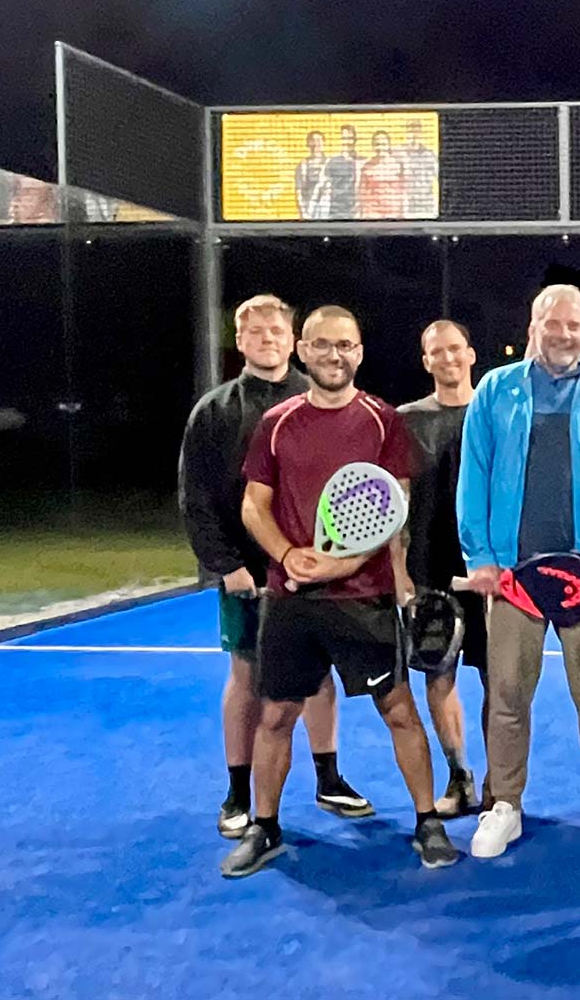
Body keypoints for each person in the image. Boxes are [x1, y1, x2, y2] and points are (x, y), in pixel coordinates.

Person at [220, 305, 459, 877]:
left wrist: (332, 566)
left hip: (364, 600)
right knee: (276, 715)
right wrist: (286, 555)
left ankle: (427, 822)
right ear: (303, 350)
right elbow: (255, 505)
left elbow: (391, 512)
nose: (334, 356)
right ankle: (265, 827)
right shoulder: (276, 421)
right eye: (323, 345)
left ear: (359, 352)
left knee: (399, 711)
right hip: (289, 603)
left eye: (346, 346)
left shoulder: (383, 421)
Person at [457, 284, 580, 855]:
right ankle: (504, 806)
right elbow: (475, 478)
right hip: (514, 578)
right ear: (533, 324)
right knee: (508, 697)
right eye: (555, 323)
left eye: (575, 325)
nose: (565, 334)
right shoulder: (495, 390)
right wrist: (482, 559)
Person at [178, 293, 372, 841]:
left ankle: (329, 777)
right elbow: (195, 499)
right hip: (249, 576)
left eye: (277, 332)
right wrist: (228, 567)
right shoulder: (214, 412)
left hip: (316, 573)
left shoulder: (319, 402)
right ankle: (239, 793)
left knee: (320, 676)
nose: (268, 339)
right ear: (239, 341)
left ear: (295, 342)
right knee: (246, 677)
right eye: (256, 332)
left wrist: (335, 561)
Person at [398, 319, 486, 818]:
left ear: (470, 354)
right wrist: (399, 574)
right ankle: (460, 778)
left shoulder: (494, 413)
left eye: (455, 349)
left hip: (494, 574)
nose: (448, 358)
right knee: (439, 679)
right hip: (430, 573)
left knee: (502, 685)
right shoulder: (406, 421)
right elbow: (397, 504)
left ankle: (502, 787)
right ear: (426, 360)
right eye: (437, 352)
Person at [358, 130, 407, 219]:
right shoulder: (367, 167)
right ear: (373, 146)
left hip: (394, 213)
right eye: (377, 144)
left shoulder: (398, 166)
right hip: (373, 213)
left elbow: (403, 192)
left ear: (388, 146)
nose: (380, 148)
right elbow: (362, 193)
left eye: (383, 144)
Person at [401, 120, 439, 217]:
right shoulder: (399, 154)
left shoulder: (430, 155)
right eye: (410, 132)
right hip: (407, 204)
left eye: (416, 132)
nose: (413, 135)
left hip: (425, 203)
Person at [325, 125, 361, 220]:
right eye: (345, 138)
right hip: (336, 212)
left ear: (355, 140)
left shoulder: (361, 161)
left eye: (350, 138)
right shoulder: (332, 162)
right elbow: (325, 186)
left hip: (357, 213)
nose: (348, 142)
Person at [294, 131, 330, 219]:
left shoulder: (330, 163)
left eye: (318, 140)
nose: (316, 143)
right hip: (310, 209)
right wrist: (303, 212)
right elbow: (299, 191)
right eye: (312, 140)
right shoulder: (303, 165)